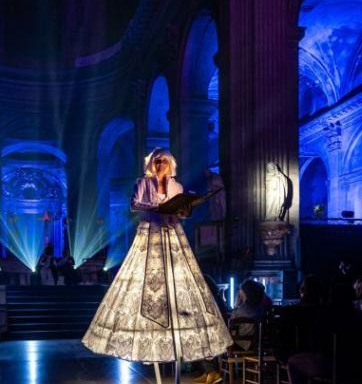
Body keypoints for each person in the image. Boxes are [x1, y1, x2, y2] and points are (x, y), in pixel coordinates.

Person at [83, 148, 233, 364]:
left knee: (178, 282)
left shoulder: (177, 186)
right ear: (151, 163)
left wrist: (184, 208)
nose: (160, 164)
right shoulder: (143, 183)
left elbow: (180, 211)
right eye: (157, 161)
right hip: (150, 233)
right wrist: (158, 207)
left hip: (172, 233)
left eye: (164, 161)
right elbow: (135, 204)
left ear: (171, 164)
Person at [230, 278, 267, 350]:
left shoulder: (240, 310)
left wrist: (235, 306)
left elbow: (231, 325)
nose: (238, 291)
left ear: (244, 292)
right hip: (256, 342)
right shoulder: (259, 308)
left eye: (240, 289)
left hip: (239, 343)